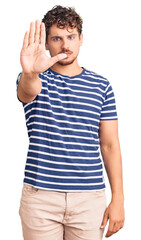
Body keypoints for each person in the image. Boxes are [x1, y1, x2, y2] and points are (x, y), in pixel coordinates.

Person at [16, 5, 125, 240]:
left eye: (71, 36)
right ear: (46, 43)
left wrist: (119, 199)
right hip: (40, 198)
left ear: (81, 39)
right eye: (56, 38)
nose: (65, 45)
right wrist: (30, 73)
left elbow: (109, 145)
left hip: (89, 200)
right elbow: (27, 92)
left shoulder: (101, 86)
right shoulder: (33, 77)